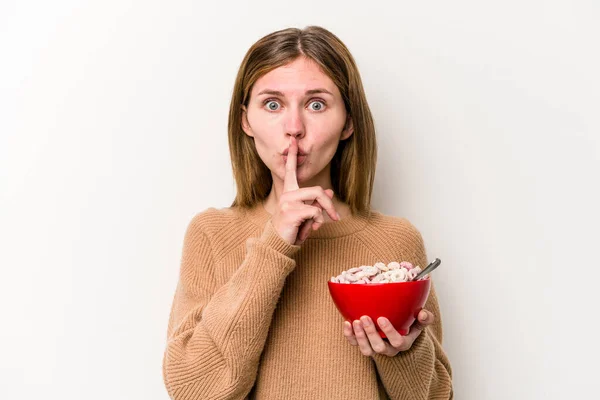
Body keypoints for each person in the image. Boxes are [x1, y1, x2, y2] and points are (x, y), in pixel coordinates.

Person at [162, 26, 453, 399]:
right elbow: (193, 389)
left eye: (316, 104)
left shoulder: (395, 240)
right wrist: (273, 247)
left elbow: (436, 396)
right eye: (272, 104)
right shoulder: (212, 233)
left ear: (348, 121)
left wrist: (404, 351)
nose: (294, 129)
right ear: (245, 121)